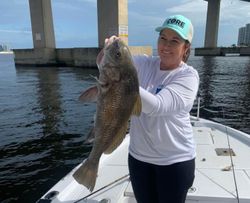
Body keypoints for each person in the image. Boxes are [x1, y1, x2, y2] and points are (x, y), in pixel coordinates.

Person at [106, 14, 199, 203]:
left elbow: (157, 106)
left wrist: (123, 79)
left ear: (186, 47)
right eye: (163, 38)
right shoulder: (145, 63)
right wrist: (108, 50)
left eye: (174, 41)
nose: (166, 46)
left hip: (175, 162)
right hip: (139, 158)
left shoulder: (188, 76)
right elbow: (105, 64)